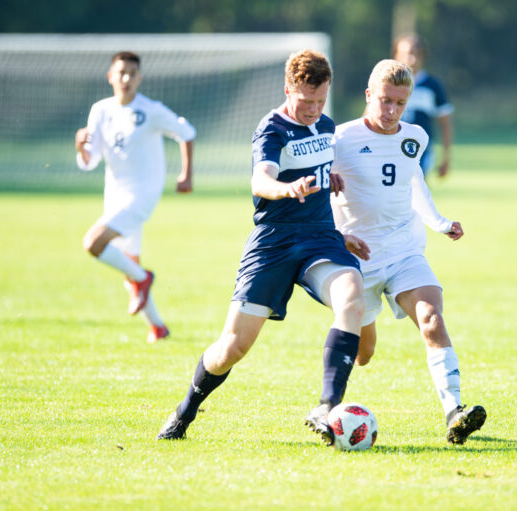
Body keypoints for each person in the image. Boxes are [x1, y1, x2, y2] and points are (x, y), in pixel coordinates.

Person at [156, 50, 366, 444]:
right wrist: (286, 188)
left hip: (320, 237)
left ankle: (327, 406)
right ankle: (185, 410)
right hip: (273, 242)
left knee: (352, 297)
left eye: (321, 100)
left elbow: (321, 167)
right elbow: (261, 180)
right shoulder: (271, 128)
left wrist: (330, 178)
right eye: (306, 100)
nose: (314, 109)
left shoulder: (325, 125)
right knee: (233, 348)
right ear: (288, 89)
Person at [330, 59, 486, 444]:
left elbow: (414, 182)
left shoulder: (415, 136)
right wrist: (336, 234)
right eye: (385, 101)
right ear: (369, 95)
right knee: (364, 353)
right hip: (358, 259)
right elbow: (317, 192)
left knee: (432, 319)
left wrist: (440, 222)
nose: (391, 111)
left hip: (404, 250)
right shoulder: (340, 139)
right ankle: (331, 406)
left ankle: (455, 413)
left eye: (400, 104)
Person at [75, 51, 196, 343]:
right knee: (127, 263)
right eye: (121, 72)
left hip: (142, 195)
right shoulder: (100, 110)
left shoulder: (150, 110)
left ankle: (144, 278)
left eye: (132, 73)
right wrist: (80, 147)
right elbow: (90, 161)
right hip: (114, 194)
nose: (126, 78)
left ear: (139, 78)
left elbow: (187, 133)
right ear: (110, 77)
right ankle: (158, 327)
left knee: (93, 243)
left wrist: (186, 174)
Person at [392, 33, 454, 178]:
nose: (412, 59)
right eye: (407, 54)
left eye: (416, 54)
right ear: (396, 56)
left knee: (416, 188)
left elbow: (445, 123)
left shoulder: (432, 85)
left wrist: (446, 157)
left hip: (419, 151)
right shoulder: (387, 84)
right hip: (390, 147)